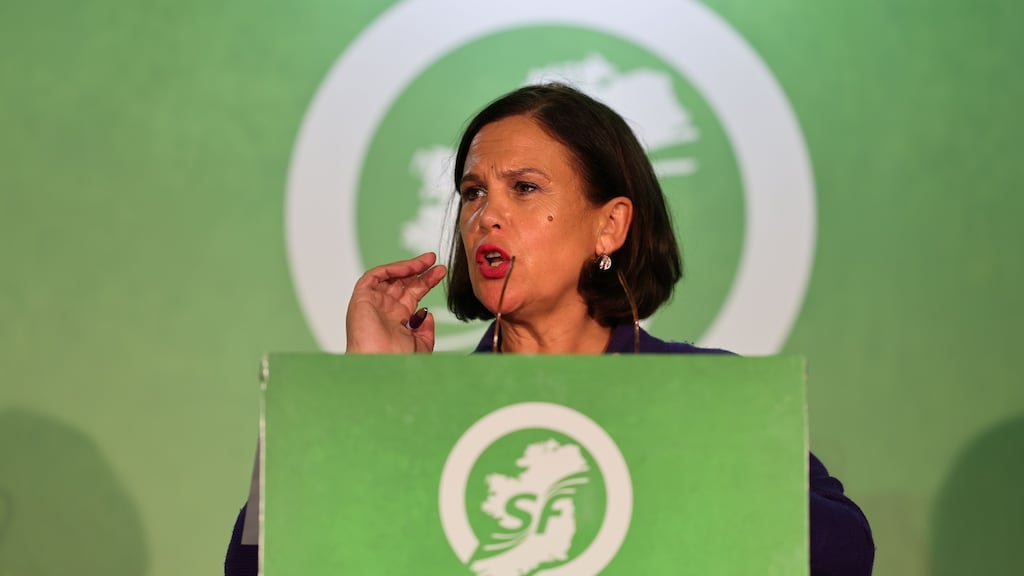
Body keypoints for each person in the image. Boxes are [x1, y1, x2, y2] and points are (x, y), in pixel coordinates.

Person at [226, 83, 874, 575]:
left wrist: (642, 434)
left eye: (524, 188)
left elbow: (844, 552)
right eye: (473, 192)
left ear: (610, 226)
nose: (486, 216)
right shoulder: (415, 415)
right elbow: (257, 563)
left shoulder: (703, 395)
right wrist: (365, 391)